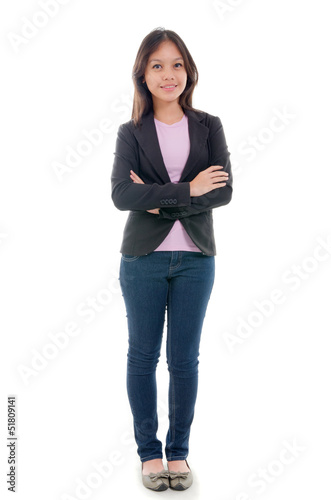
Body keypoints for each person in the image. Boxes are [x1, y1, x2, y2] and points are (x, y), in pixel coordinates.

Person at [111, 27, 233, 491]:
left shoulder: (209, 126)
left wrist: (157, 198)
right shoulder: (131, 132)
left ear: (189, 70)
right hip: (142, 259)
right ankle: (149, 454)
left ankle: (178, 453)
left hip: (196, 258)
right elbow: (123, 195)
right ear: (143, 73)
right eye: (158, 65)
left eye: (177, 64)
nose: (169, 74)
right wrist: (188, 189)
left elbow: (222, 191)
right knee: (142, 356)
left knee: (184, 360)